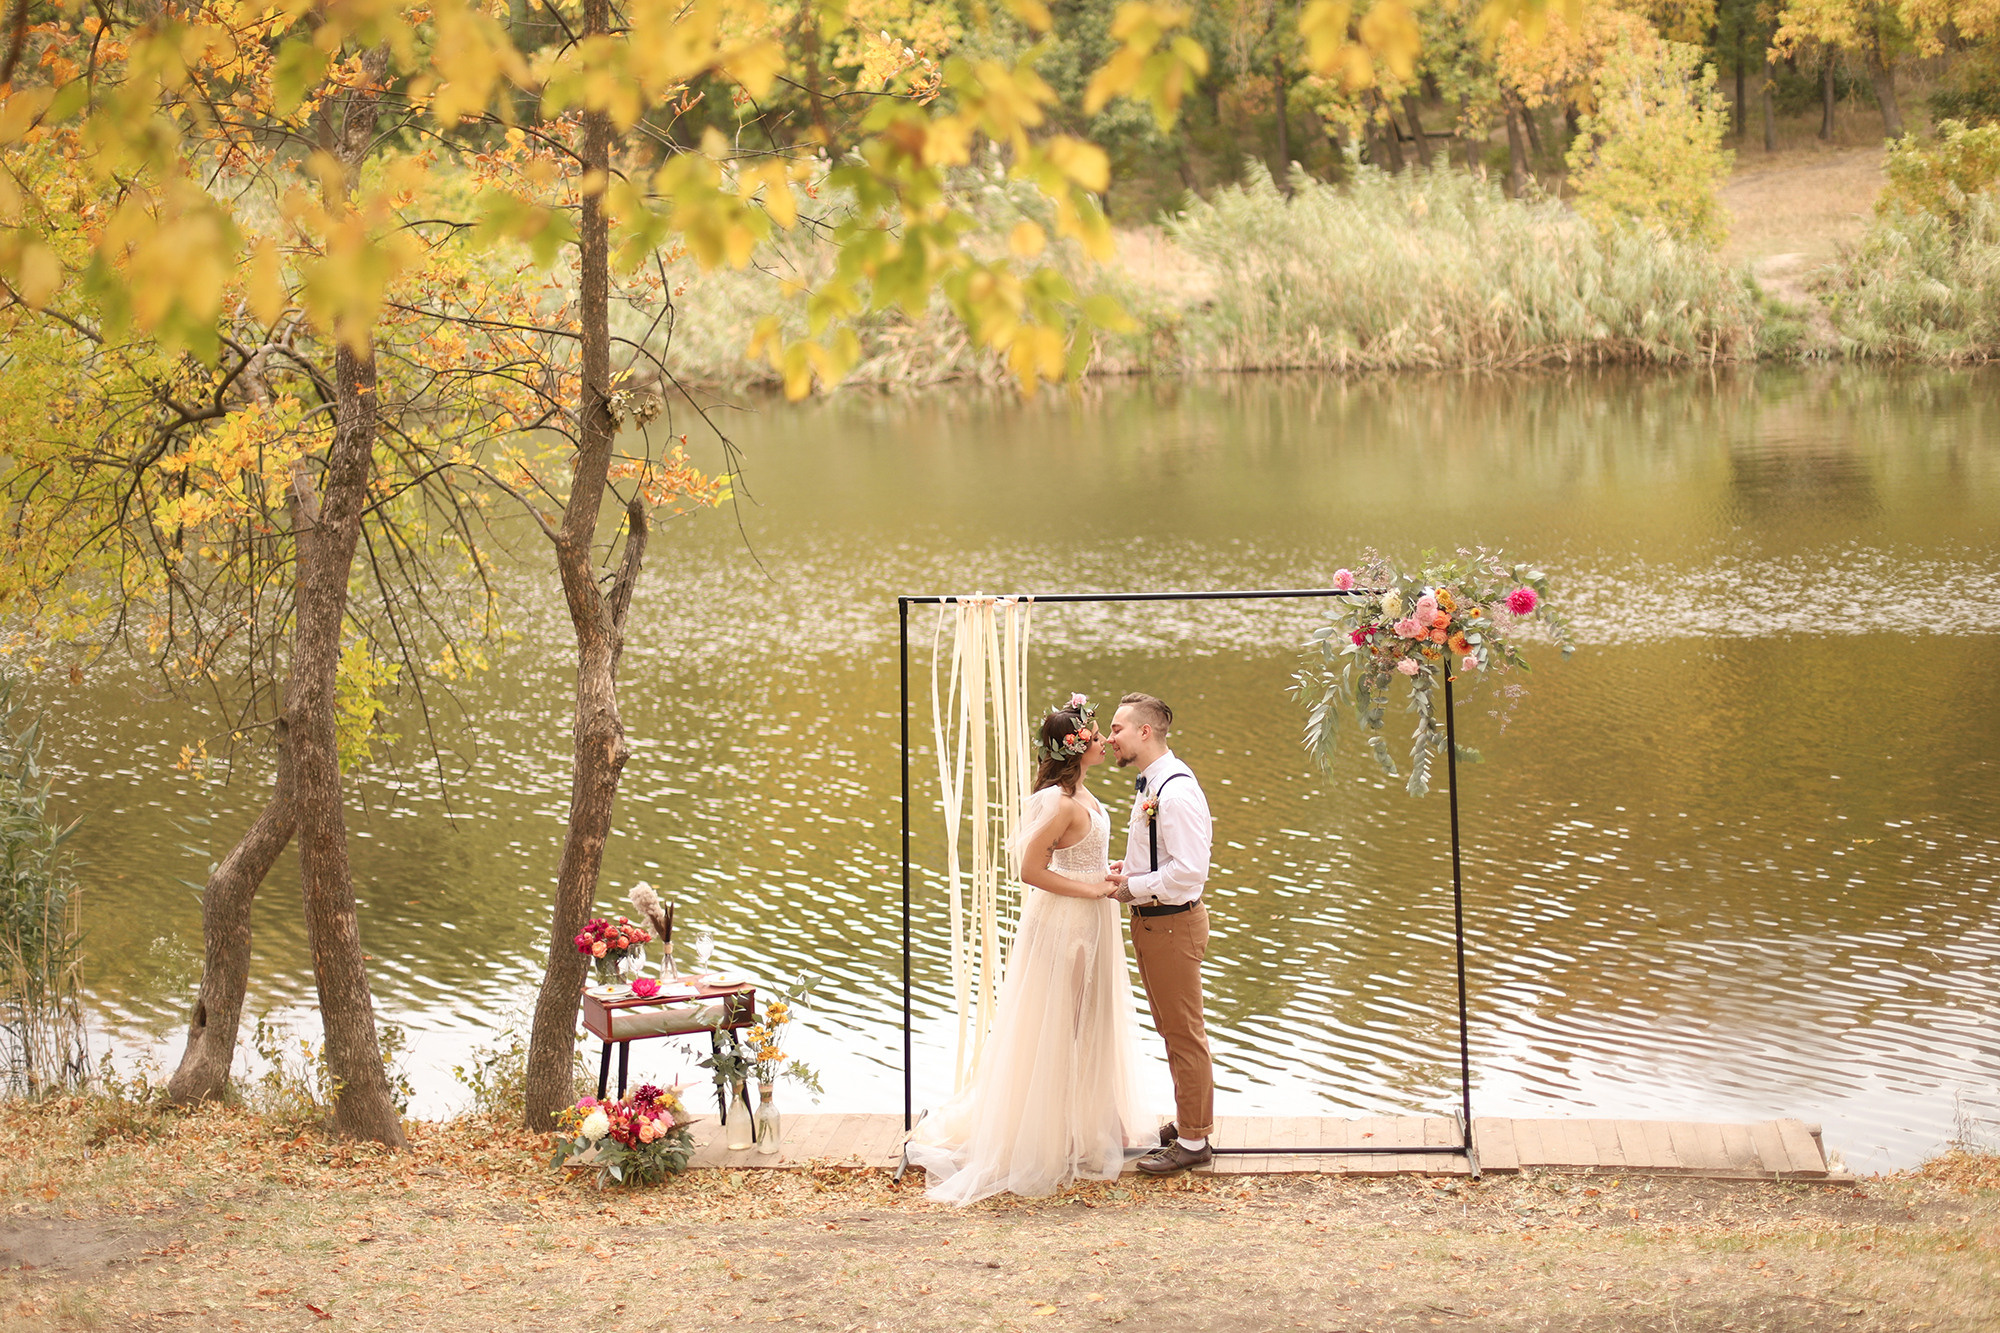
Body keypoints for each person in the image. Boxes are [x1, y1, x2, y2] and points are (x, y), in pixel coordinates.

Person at [904, 694, 1147, 1204]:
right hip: (1068, 923)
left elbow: (1082, 857)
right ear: (1077, 746)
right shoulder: (1059, 804)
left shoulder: (1083, 794)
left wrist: (1109, 875)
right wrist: (1092, 889)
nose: (1104, 741)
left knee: (1085, 1021)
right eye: (1096, 735)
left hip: (1092, 916)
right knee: (1062, 1022)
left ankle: (1091, 1123)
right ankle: (1047, 1135)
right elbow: (1031, 872)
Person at [1106, 691, 1216, 1174]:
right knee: (1172, 1030)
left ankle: (1194, 1144)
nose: (1109, 738)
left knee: (1184, 1034)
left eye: (1116, 729)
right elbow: (1162, 857)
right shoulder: (1154, 783)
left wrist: (1132, 887)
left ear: (1143, 732)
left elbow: (1190, 873)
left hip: (1173, 925)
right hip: (1157, 924)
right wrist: (1127, 870)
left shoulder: (1173, 791)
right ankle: (1189, 1121)